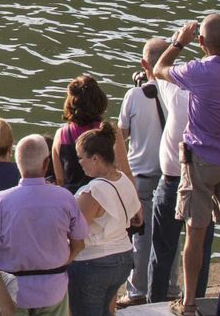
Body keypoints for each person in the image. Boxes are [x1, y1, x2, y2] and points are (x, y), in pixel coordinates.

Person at [152, 15, 220, 316]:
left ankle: (188, 304)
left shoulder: (198, 70)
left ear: (201, 44)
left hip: (202, 161)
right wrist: (218, 42)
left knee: (195, 234)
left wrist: (178, 42)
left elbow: (159, 70)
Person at [0, 134, 87, 316]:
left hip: (12, 292)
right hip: (54, 289)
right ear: (46, 163)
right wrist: (64, 261)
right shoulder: (65, 198)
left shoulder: (0, 201)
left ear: (18, 164)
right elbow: (79, 243)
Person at [149, 34, 217, 306]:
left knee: (162, 251)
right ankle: (197, 302)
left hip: (172, 179)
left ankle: (153, 305)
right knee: (200, 246)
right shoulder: (212, 94)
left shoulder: (172, 90)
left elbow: (158, 68)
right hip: (203, 179)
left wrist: (179, 42)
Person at [116, 39, 170, 307]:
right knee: (170, 234)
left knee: (140, 237)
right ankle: (170, 286)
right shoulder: (180, 91)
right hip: (171, 175)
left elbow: (121, 136)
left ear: (144, 64)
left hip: (141, 177)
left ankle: (137, 290)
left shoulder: (134, 95)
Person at [68, 127, 140, 316]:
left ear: (95, 158)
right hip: (123, 258)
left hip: (94, 263)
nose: (79, 162)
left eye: (81, 157)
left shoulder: (93, 192)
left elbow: (76, 232)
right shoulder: (123, 179)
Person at [53, 76, 119, 193]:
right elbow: (123, 170)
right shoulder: (109, 131)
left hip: (73, 201)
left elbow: (60, 180)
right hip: (104, 198)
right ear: (100, 101)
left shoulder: (61, 135)